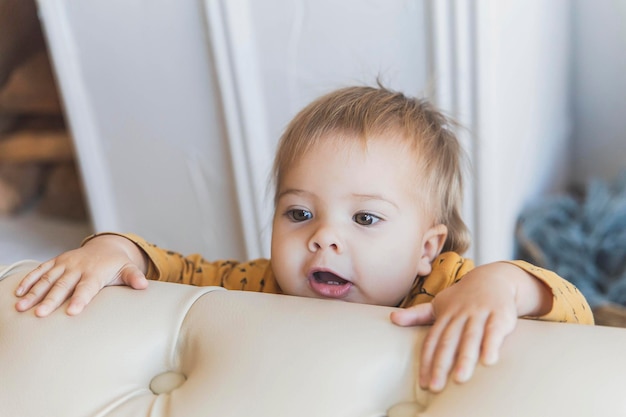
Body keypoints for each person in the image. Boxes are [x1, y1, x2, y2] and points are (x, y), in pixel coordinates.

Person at [14, 85, 594, 393]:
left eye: (364, 219)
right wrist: (117, 249)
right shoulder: (262, 285)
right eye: (298, 213)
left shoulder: (444, 289)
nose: (323, 239)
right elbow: (181, 274)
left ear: (425, 246)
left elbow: (579, 323)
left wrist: (506, 284)